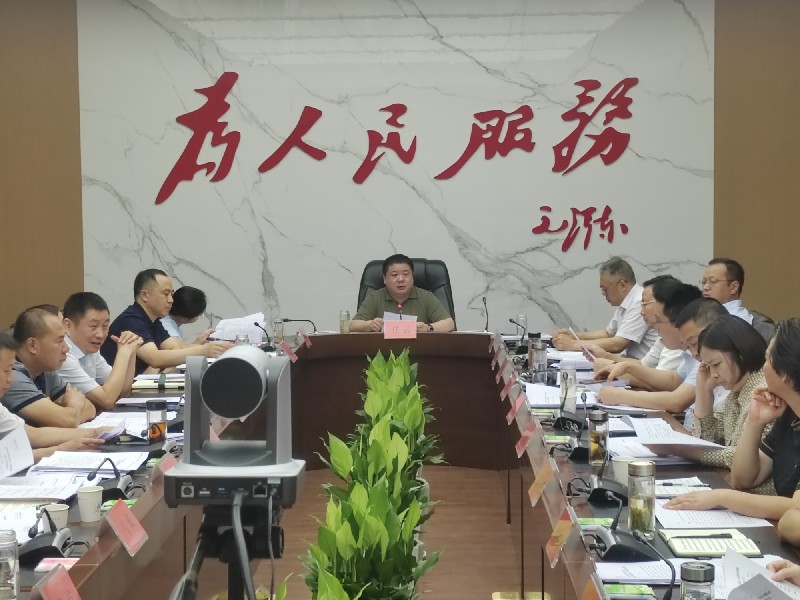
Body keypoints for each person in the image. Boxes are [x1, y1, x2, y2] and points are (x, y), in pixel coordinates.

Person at [664, 319, 800, 532]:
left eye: (767, 359)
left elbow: (795, 508)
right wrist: (755, 421)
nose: (763, 367)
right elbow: (742, 478)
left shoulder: (763, 390)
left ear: (783, 373)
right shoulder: (786, 412)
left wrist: (722, 497)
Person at [656, 315, 771, 476]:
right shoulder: (737, 392)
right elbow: (709, 440)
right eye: (708, 366)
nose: (713, 374)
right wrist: (703, 392)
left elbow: (739, 457)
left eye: (716, 364)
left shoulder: (764, 393)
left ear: (740, 353)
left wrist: (681, 449)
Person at [596, 280, 702, 414]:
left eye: (658, 320)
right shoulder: (690, 352)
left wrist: (621, 396)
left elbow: (676, 402)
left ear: (679, 322)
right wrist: (628, 367)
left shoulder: (702, 354)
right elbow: (673, 380)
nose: (654, 327)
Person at [101, 269, 231, 375]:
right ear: (145, 295)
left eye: (171, 294)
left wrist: (215, 346)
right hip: (121, 391)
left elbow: (174, 348)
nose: (171, 300)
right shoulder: (132, 320)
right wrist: (203, 351)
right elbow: (154, 358)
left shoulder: (154, 320)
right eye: (165, 294)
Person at [0, 331, 106, 461]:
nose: (10, 378)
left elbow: (32, 434)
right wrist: (74, 409)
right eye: (7, 370)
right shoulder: (18, 381)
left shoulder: (47, 370)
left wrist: (96, 433)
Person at [1, 307, 96, 427]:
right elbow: (67, 421)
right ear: (32, 345)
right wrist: (75, 405)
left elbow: (90, 408)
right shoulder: (12, 377)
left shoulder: (45, 368)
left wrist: (68, 415)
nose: (67, 348)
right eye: (59, 341)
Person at [552, 257, 656, 360]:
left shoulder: (639, 302)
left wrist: (572, 344)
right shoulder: (627, 301)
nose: (603, 294)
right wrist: (574, 336)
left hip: (644, 367)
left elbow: (618, 344)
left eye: (605, 289)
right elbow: (608, 333)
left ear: (622, 285)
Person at [587, 275, 683, 382]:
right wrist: (606, 356)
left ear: (664, 304)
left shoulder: (677, 336)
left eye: (645, 304)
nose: (641, 312)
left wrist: (611, 369)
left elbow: (662, 383)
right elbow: (643, 364)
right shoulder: (663, 334)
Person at [60, 292, 143, 410]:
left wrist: (131, 349)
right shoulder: (63, 355)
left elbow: (123, 391)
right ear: (68, 326)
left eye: (105, 326)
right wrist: (123, 354)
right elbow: (107, 400)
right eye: (93, 326)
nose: (100, 334)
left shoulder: (91, 349)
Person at [349, 254, 455, 333]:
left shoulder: (426, 297)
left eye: (406, 274)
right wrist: (369, 325)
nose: (401, 279)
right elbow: (352, 325)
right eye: (394, 275)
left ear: (412, 277)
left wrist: (428, 328)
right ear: (385, 279)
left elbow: (449, 323)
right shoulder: (375, 297)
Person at [700, 258, 753, 323]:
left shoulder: (738, 321)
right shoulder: (701, 315)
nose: (705, 287)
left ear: (734, 287)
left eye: (713, 281)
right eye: (704, 282)